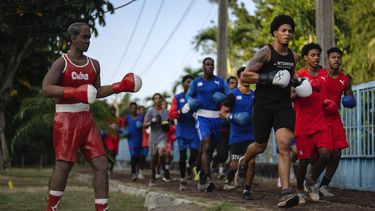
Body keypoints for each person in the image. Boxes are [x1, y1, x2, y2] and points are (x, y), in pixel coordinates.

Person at [42, 22, 142, 211]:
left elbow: (95, 91)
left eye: (89, 37)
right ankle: (51, 208)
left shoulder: (94, 64)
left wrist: (119, 86)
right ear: (72, 38)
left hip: (86, 120)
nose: (88, 41)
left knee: (101, 164)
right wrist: (73, 92)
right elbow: (46, 88)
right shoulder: (62, 62)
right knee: (64, 165)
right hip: (65, 119)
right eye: (84, 37)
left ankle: (101, 209)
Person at [238, 15, 302, 208]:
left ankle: (285, 192)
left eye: (290, 31)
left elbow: (290, 77)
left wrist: (298, 82)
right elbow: (245, 76)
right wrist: (269, 78)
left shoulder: (293, 56)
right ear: (275, 32)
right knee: (259, 146)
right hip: (263, 105)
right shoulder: (265, 52)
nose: (287, 34)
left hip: (283, 105)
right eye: (284, 30)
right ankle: (244, 159)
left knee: (285, 145)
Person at [293, 43, 333, 203]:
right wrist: (303, 89)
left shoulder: (324, 75)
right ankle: (299, 190)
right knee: (303, 160)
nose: (316, 57)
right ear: (305, 57)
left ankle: (311, 180)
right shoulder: (298, 75)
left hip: (321, 122)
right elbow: (289, 96)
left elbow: (329, 92)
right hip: (303, 123)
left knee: (326, 153)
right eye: (313, 55)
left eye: (318, 55)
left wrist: (332, 104)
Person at [186, 57, 230, 192]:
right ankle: (208, 180)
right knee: (206, 144)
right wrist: (192, 102)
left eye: (212, 65)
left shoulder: (220, 82)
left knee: (210, 150)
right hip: (202, 116)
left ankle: (201, 172)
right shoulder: (196, 82)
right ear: (203, 66)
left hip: (216, 117)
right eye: (207, 64)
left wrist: (223, 99)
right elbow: (189, 96)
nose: (210, 67)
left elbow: (230, 97)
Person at [317, 47, 356, 197]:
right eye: (333, 57)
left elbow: (350, 97)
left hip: (334, 118)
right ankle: (310, 180)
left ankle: (323, 185)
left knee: (337, 153)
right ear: (327, 58)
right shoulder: (319, 74)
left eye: (339, 57)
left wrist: (351, 101)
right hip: (318, 117)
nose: (336, 60)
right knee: (320, 154)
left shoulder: (345, 79)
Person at [220, 67, 255, 200]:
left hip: (252, 135)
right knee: (234, 165)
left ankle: (247, 190)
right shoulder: (232, 95)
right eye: (244, 76)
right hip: (236, 136)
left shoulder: (255, 95)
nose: (247, 79)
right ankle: (229, 179)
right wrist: (235, 117)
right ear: (240, 78)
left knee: (252, 163)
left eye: (249, 76)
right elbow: (222, 113)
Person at [169, 75, 200, 190]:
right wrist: (180, 111)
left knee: (194, 155)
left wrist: (198, 114)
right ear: (183, 84)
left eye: (192, 82)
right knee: (182, 156)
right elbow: (171, 115)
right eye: (187, 82)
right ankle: (182, 180)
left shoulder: (197, 98)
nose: (190, 84)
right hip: (181, 131)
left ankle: (189, 167)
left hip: (194, 132)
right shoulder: (177, 98)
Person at [212, 75, 238, 179]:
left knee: (235, 156)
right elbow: (218, 114)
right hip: (223, 131)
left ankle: (231, 177)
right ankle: (214, 161)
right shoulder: (221, 98)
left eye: (236, 83)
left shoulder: (240, 97)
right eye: (232, 83)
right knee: (223, 155)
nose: (234, 85)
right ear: (227, 86)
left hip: (236, 132)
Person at [144, 93, 169, 186]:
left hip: (162, 136)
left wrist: (167, 125)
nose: (157, 100)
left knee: (161, 152)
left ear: (161, 100)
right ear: (153, 100)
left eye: (159, 98)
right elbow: (144, 125)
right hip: (153, 137)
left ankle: (160, 168)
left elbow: (169, 123)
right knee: (154, 157)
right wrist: (152, 122)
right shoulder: (150, 111)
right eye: (155, 98)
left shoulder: (166, 111)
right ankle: (152, 176)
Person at [124, 102, 144, 181]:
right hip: (131, 139)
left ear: (137, 109)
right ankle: (133, 174)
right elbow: (124, 126)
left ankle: (137, 172)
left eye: (135, 108)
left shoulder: (141, 117)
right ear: (130, 109)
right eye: (132, 108)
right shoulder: (127, 117)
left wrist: (142, 125)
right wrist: (125, 131)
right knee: (133, 156)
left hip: (139, 139)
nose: (133, 109)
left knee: (138, 158)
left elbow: (145, 125)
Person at [104, 106, 124, 177]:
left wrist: (118, 128)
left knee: (114, 155)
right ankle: (107, 167)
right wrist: (109, 127)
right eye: (111, 110)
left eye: (113, 110)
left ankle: (110, 170)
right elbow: (103, 128)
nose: (112, 111)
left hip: (116, 139)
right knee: (110, 151)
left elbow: (122, 130)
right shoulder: (106, 119)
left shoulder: (119, 119)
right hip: (109, 138)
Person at [138, 105, 148, 179]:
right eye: (141, 110)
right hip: (138, 141)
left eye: (143, 110)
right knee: (137, 157)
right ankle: (137, 172)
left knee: (143, 157)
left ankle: (141, 172)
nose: (142, 111)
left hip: (145, 141)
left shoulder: (147, 118)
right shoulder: (137, 118)